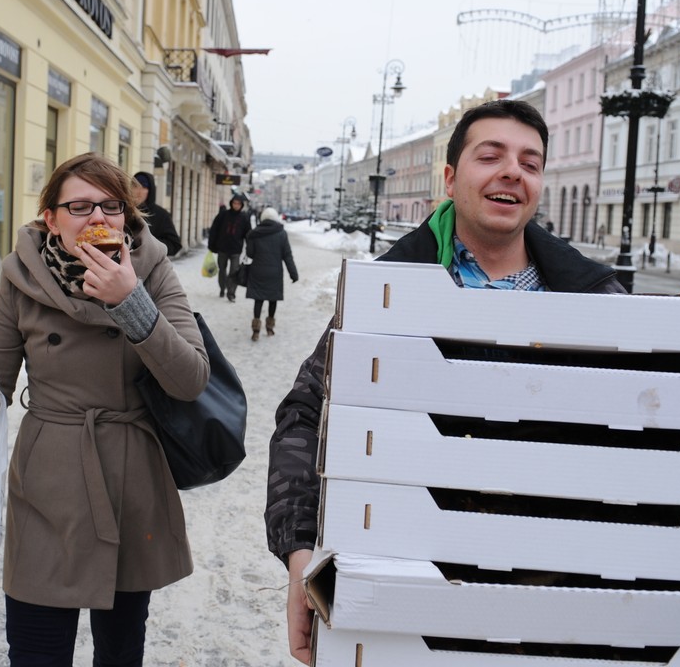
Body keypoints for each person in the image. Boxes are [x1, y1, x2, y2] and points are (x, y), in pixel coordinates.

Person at [263, 99, 625, 665]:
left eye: (530, 163)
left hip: (551, 610)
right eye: (491, 156)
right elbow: (307, 417)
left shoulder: (597, 302)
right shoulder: (385, 294)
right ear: (452, 179)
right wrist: (301, 550)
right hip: (405, 598)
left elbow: (660, 441)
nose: (513, 171)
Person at [0, 152, 210, 666]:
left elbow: (190, 379)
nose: (98, 219)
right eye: (80, 206)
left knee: (120, 650)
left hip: (131, 479)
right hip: (49, 482)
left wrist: (131, 301)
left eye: (111, 206)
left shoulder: (151, 269)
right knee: (35, 649)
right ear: (51, 218)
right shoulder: (19, 278)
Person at [245, 206, 299, 341]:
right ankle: (269, 328)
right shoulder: (281, 233)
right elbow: (287, 255)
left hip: (258, 270)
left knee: (259, 299)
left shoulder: (254, 233)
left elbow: (250, 254)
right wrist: (293, 274)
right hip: (275, 272)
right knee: (272, 299)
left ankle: (256, 330)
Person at [208, 195, 251, 301]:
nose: (236, 205)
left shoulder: (244, 218)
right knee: (222, 270)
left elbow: (248, 234)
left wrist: (250, 248)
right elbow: (214, 230)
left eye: (238, 204)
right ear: (231, 203)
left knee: (234, 273)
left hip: (236, 250)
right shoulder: (223, 215)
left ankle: (231, 293)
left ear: (241, 205)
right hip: (222, 248)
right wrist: (212, 245)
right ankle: (222, 288)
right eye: (234, 203)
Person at [132, 171, 182, 257]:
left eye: (144, 186)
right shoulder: (122, 210)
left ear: (150, 190)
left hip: (149, 267)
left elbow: (174, 245)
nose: (139, 191)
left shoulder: (161, 215)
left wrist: (147, 244)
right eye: (135, 186)